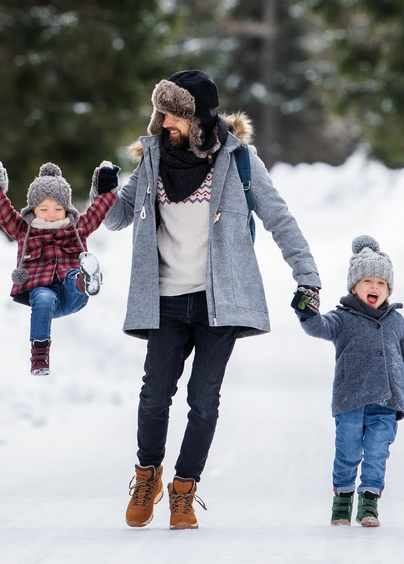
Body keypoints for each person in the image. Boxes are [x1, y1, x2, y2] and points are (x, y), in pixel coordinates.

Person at [102, 69, 322, 529]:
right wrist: (102, 191)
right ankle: (147, 476)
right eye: (161, 114)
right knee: (154, 395)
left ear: (198, 118)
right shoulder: (152, 158)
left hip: (218, 302)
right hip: (163, 298)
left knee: (204, 400)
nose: (164, 124)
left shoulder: (240, 161)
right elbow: (116, 218)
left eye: (173, 117)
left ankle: (184, 489)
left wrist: (307, 276)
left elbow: (280, 219)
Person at [292, 235, 404, 528]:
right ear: (354, 287)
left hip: (387, 402)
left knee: (378, 453)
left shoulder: (396, 321)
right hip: (350, 400)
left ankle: (369, 503)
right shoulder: (343, 318)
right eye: (367, 282)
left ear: (388, 290)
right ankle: (342, 501)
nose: (374, 287)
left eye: (381, 283)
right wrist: (305, 311)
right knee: (347, 452)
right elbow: (319, 327)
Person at [0, 158, 119, 375]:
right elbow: (4, 212)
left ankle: (86, 281)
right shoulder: (23, 230)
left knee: (73, 277)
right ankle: (39, 357)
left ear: (67, 209)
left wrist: (107, 188)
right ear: (33, 210)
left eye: (58, 208)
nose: (51, 214)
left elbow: (97, 211)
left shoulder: (76, 229)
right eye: (44, 208)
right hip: (44, 300)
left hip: (72, 294)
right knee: (44, 297)